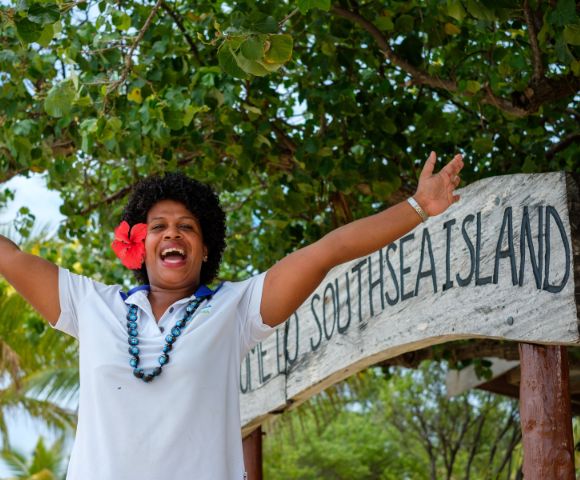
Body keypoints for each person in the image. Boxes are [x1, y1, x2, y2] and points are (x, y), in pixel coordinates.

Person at [0, 151, 463, 480]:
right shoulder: (91, 305)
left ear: (205, 249)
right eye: (158, 226)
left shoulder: (235, 308)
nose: (172, 234)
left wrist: (418, 207)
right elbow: (11, 257)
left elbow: (329, 250)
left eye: (187, 227)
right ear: (138, 245)